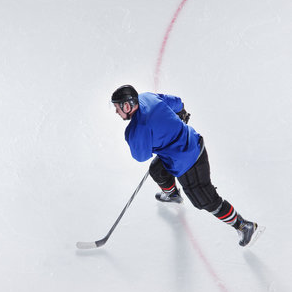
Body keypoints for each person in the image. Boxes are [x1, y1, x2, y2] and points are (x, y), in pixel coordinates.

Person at [111, 84, 262, 247]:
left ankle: (243, 225)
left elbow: (141, 156)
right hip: (190, 141)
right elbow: (177, 103)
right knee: (157, 170)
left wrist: (135, 136)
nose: (116, 112)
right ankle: (173, 195)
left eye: (117, 108)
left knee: (204, 200)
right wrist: (180, 114)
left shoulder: (137, 128)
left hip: (189, 161)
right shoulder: (147, 96)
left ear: (127, 105)